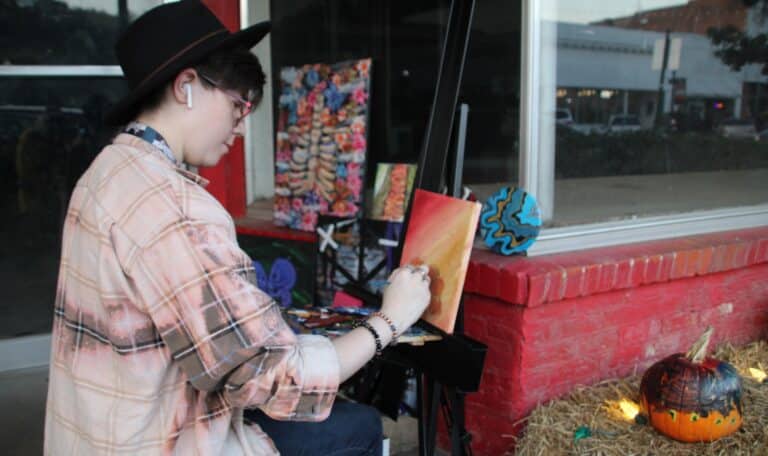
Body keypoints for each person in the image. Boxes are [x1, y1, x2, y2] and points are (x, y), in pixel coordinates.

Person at [43, 2, 431, 455]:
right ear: (186, 86)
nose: (241, 129)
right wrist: (390, 319)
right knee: (358, 426)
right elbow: (275, 377)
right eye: (237, 105)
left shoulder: (103, 172)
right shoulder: (176, 208)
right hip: (159, 442)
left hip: (92, 437)